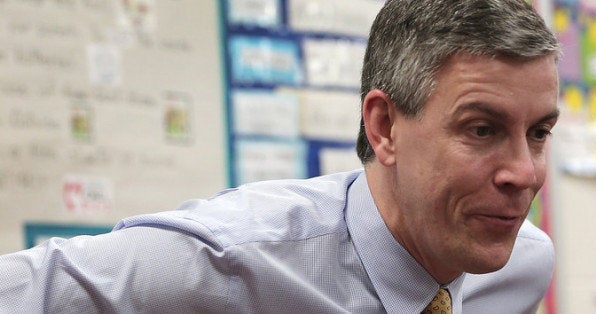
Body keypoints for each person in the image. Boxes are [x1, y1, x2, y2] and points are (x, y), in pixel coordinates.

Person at [0, 0, 560, 313]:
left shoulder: (521, 266)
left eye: (538, 133)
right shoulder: (226, 260)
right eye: (482, 129)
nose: (524, 173)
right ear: (385, 127)